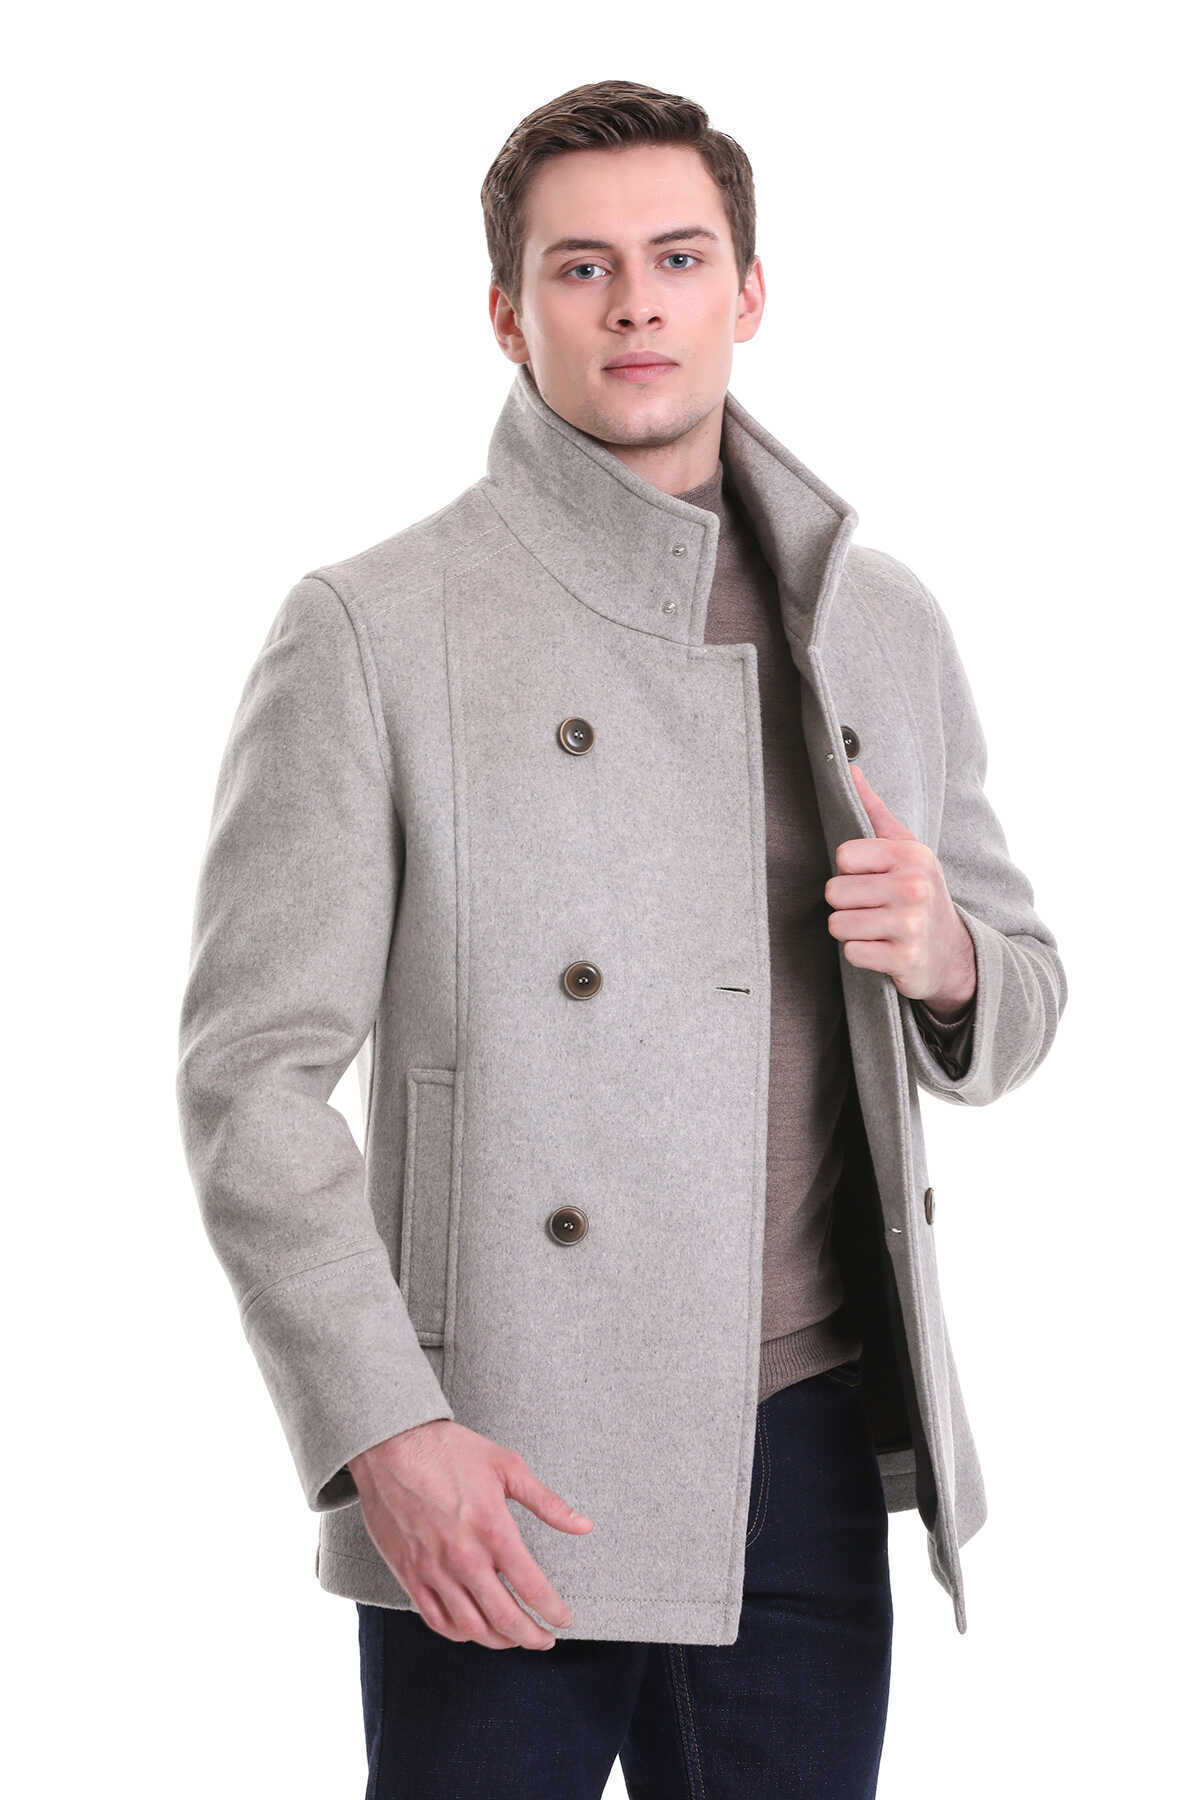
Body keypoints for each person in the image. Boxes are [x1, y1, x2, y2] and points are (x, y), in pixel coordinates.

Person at [177, 78, 1067, 1800]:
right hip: (504, 1463)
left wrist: (950, 956)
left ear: (750, 291)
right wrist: (385, 1429)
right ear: (509, 315)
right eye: (580, 269)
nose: (636, 304)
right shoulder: (375, 627)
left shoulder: (874, 618)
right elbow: (249, 1081)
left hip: (806, 1446)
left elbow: (1024, 994)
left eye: (678, 257)